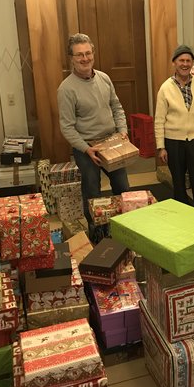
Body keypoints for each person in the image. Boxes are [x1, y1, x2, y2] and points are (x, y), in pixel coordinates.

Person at [57, 33, 130, 241]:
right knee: (92, 193)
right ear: (71, 58)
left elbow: (116, 107)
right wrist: (86, 149)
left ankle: (123, 230)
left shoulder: (104, 78)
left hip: (112, 142)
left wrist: (122, 130)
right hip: (87, 148)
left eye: (88, 53)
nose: (85, 58)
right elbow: (67, 127)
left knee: (123, 188)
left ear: (93, 54)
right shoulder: (66, 89)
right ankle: (97, 235)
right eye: (79, 55)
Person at [154, 45, 194, 212]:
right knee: (179, 183)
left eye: (188, 60)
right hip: (173, 142)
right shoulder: (165, 88)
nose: (185, 64)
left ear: (192, 63)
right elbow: (159, 120)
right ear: (174, 62)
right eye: (181, 60)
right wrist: (161, 147)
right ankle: (183, 217)